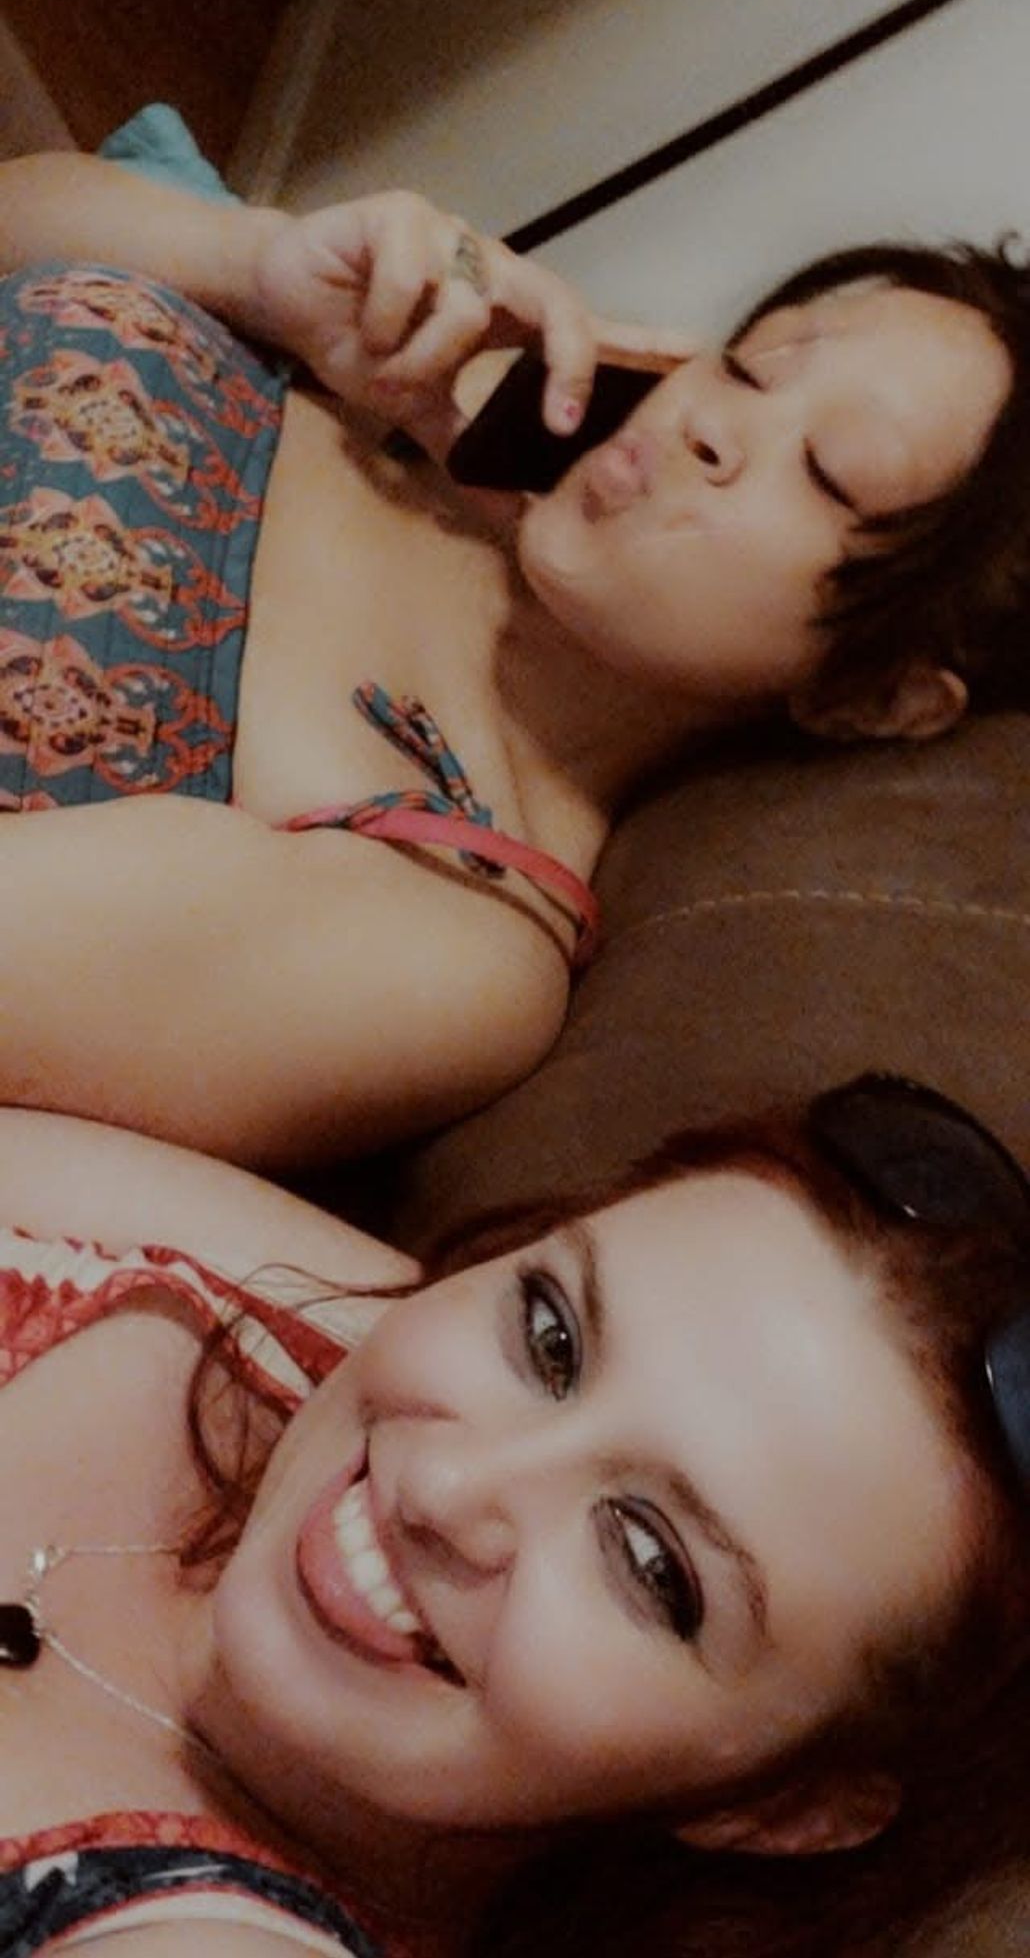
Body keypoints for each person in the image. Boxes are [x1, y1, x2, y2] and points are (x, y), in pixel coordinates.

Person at [0, 153, 1027, 1168]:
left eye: (831, 470)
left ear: (875, 697)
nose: (712, 421)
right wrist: (256, 266)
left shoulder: (450, 940)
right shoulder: (423, 413)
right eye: (755, 363)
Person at [1, 1072, 1029, 1957]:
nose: (446, 1488)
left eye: (650, 1563)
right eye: (552, 1341)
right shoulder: (325, 1328)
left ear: (780, 1809)